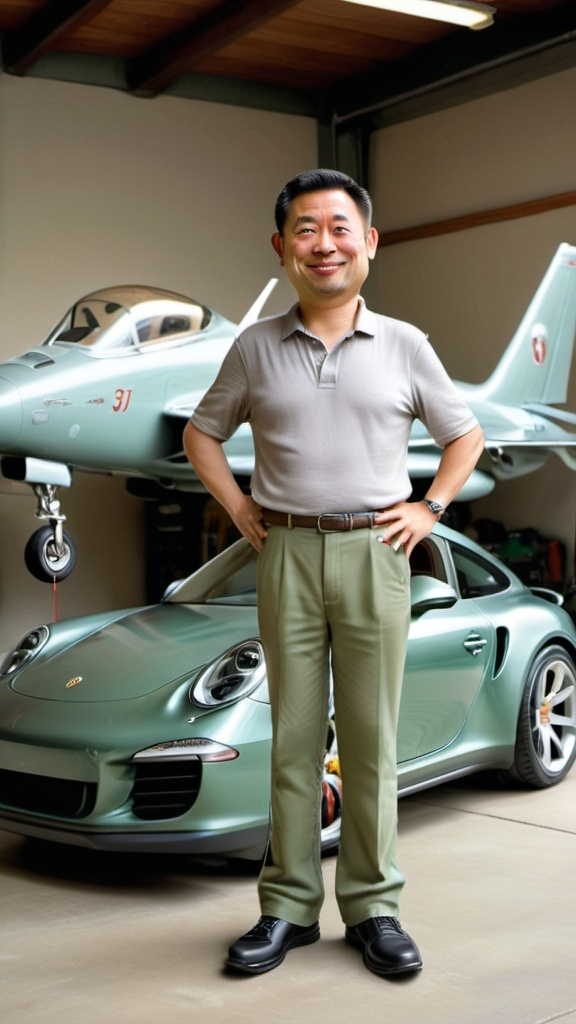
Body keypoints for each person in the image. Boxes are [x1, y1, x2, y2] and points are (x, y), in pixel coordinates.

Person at [183, 169, 484, 979]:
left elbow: (466, 435)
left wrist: (431, 507)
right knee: (290, 741)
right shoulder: (253, 348)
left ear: (370, 243)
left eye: (341, 227)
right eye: (307, 230)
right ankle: (285, 909)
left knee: (371, 741)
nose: (325, 243)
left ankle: (374, 907)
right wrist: (241, 510)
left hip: (376, 556)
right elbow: (201, 435)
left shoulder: (406, 345)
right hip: (284, 552)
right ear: (282, 248)